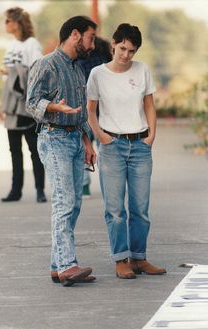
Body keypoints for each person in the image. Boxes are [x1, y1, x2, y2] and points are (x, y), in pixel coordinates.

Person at [87, 23, 166, 279]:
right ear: (113, 43)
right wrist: (101, 137)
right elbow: (90, 110)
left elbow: (150, 105)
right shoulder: (98, 74)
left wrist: (152, 135)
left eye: (131, 51)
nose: (126, 55)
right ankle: (121, 259)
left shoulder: (142, 69)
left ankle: (139, 258)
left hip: (141, 145)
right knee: (115, 209)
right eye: (122, 48)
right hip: (112, 146)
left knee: (140, 209)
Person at [26, 16, 97, 286]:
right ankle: (68, 265)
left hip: (76, 140)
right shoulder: (45, 64)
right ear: (75, 34)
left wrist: (88, 143)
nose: (92, 44)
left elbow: (80, 115)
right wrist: (56, 107)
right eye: (90, 37)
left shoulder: (78, 70)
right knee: (64, 202)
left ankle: (58, 265)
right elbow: (31, 104)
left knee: (74, 203)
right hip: (54, 138)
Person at [0, 7, 46, 203]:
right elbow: (6, 78)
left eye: (8, 21)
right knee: (14, 150)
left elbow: (36, 71)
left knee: (34, 149)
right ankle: (15, 190)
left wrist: (12, 72)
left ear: (17, 23)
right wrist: (1, 103)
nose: (6, 25)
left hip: (25, 104)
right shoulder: (11, 45)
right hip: (10, 103)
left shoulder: (32, 44)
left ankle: (40, 190)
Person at [79, 36, 112, 197]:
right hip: (101, 108)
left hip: (86, 108)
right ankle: (110, 183)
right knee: (104, 148)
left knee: (86, 148)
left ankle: (85, 186)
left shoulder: (80, 57)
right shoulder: (104, 53)